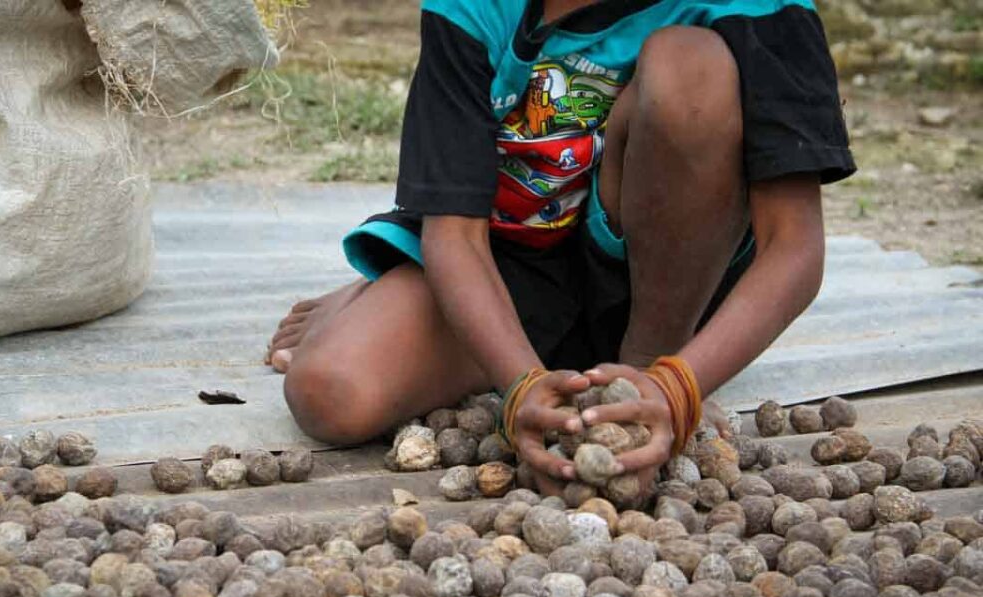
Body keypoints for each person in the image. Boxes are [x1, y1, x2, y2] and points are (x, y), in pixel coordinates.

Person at [266, 0, 855, 495]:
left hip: (671, 269)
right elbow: (455, 235)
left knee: (691, 68)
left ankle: (644, 365)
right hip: (506, 263)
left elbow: (794, 248)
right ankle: (385, 287)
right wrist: (520, 383)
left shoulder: (762, 9)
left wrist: (676, 385)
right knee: (329, 394)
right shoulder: (474, 10)